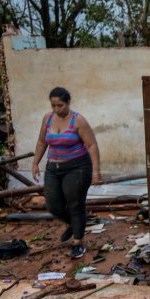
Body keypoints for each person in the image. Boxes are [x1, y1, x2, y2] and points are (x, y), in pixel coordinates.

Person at [31, 87, 102, 259]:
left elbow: (92, 145)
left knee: (75, 204)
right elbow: (42, 142)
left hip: (77, 168)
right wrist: (35, 163)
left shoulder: (78, 121)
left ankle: (78, 242)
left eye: (60, 105)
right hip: (53, 168)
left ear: (68, 102)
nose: (57, 109)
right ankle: (73, 224)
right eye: (53, 105)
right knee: (53, 205)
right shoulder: (47, 118)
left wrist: (96, 171)